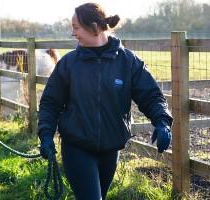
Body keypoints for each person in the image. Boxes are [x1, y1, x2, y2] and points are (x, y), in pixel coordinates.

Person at [37, 2, 173, 200]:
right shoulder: (68, 64)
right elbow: (50, 102)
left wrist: (162, 122)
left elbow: (151, 95)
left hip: (111, 149)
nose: (73, 34)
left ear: (93, 27)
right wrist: (46, 134)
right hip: (77, 147)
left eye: (76, 28)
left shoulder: (128, 62)